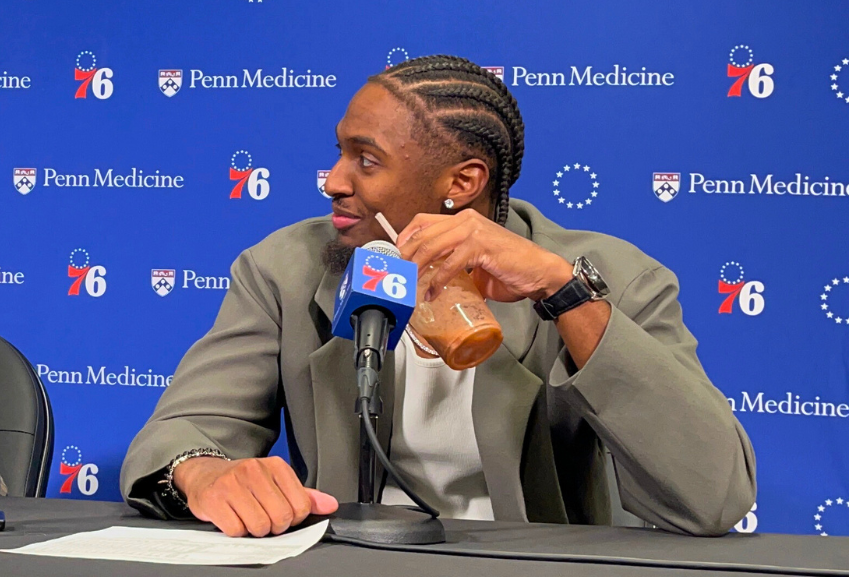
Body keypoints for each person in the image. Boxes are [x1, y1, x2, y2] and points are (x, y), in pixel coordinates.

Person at [121, 55, 754, 537]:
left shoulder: (612, 277)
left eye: (365, 162)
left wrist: (562, 294)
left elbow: (714, 495)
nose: (332, 181)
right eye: (338, 152)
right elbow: (186, 429)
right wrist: (203, 471)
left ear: (463, 181)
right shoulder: (284, 268)